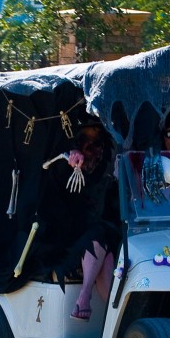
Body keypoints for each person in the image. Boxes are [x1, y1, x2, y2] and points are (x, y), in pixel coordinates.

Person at [65, 123, 117, 321]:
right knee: (99, 239)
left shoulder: (106, 160)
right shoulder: (66, 158)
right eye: (86, 142)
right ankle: (86, 295)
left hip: (104, 226)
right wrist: (70, 154)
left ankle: (110, 319)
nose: (91, 148)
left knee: (108, 253)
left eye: (96, 143)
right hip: (71, 227)